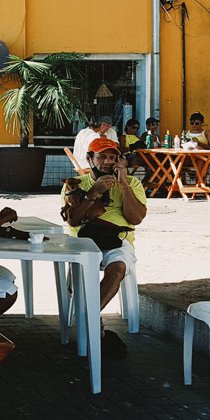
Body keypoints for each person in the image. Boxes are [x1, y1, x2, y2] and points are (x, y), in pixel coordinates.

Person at [60, 137, 147, 359]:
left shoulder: (132, 184)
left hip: (118, 238)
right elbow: (73, 222)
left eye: (112, 157)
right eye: (101, 157)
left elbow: (135, 218)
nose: (107, 162)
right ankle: (93, 322)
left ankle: (89, 316)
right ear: (90, 159)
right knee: (79, 276)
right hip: (83, 240)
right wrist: (93, 193)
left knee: (117, 267)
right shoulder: (75, 184)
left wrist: (124, 183)